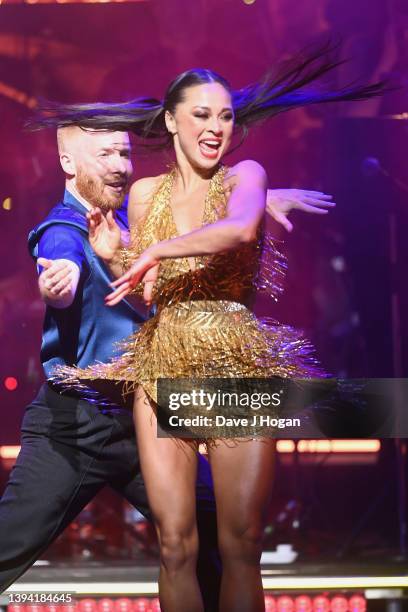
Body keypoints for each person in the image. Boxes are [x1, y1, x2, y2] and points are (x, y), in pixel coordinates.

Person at [39, 48, 384, 612]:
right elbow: (149, 286)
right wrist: (116, 254)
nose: (216, 127)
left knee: (240, 543)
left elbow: (240, 227)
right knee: (175, 545)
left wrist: (151, 249)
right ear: (172, 120)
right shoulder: (145, 193)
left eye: (225, 116)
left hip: (235, 366)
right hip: (161, 363)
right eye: (201, 115)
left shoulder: (247, 175)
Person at [0, 121, 331, 608]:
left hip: (148, 414)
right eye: (105, 155)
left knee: (219, 543)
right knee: (9, 548)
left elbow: (196, 225)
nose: (119, 167)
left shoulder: (138, 222)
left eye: (124, 154)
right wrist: (61, 282)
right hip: (75, 425)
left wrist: (258, 197)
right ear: (68, 163)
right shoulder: (62, 227)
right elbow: (60, 260)